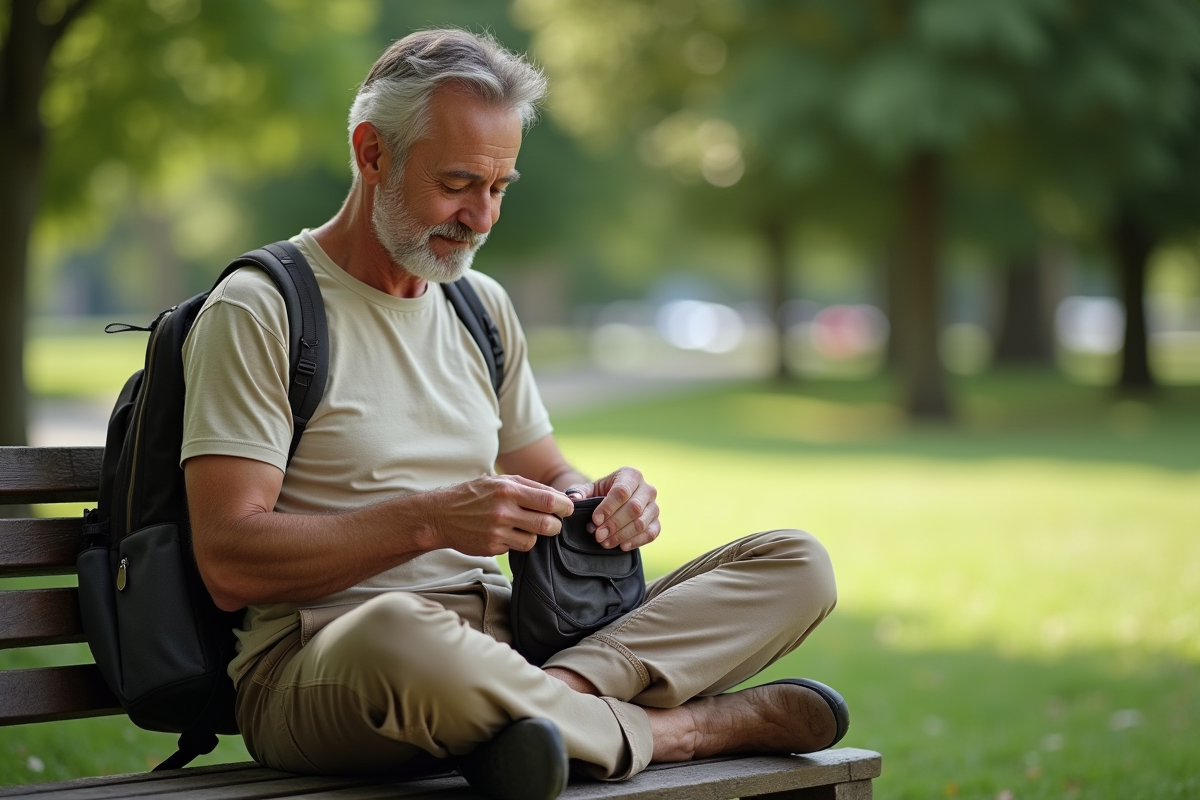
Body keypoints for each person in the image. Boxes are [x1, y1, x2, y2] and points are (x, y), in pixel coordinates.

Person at [181, 28, 844, 800]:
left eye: (500, 188)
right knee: (403, 632)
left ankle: (549, 708)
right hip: (329, 658)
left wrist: (600, 498)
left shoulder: (480, 307)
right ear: (372, 154)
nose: (482, 217)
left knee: (797, 564)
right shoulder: (262, 308)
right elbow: (230, 560)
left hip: (512, 641)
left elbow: (546, 473)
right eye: (458, 183)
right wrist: (429, 523)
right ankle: (687, 731)